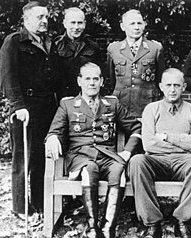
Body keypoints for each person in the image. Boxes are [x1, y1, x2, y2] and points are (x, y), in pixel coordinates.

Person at [45, 62, 141, 238]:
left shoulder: (112, 104)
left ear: (102, 81)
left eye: (95, 79)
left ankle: (107, 228)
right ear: (79, 81)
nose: (92, 83)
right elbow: (55, 130)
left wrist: (127, 152)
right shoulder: (67, 105)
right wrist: (52, 138)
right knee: (90, 170)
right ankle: (91, 228)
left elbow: (136, 128)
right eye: (87, 79)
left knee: (119, 171)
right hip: (80, 157)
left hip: (107, 156)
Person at [128, 68, 191, 238]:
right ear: (161, 86)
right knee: (137, 161)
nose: (172, 90)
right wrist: (182, 143)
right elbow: (149, 144)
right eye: (168, 85)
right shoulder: (152, 109)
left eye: (177, 85)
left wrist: (166, 137)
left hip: (184, 162)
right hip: (157, 161)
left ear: (184, 87)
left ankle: (182, 220)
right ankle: (152, 223)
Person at [0, 1, 59, 219]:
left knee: (41, 158)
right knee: (23, 158)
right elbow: (7, 77)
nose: (44, 21)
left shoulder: (48, 42)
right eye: (39, 17)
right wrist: (18, 106)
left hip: (47, 107)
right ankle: (20, 207)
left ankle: (40, 203)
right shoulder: (14, 42)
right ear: (26, 20)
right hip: (26, 108)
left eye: (46, 17)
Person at [107, 9, 166, 118]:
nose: (136, 27)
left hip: (147, 105)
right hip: (121, 105)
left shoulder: (155, 49)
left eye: (139, 23)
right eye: (132, 23)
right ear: (123, 26)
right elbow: (111, 80)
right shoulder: (114, 49)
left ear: (144, 25)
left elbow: (160, 79)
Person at [55, 7, 103, 99]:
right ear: (65, 24)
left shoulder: (92, 45)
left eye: (80, 23)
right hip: (64, 97)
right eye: (73, 23)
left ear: (84, 24)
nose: (76, 27)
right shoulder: (56, 46)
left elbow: (100, 73)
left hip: (87, 97)